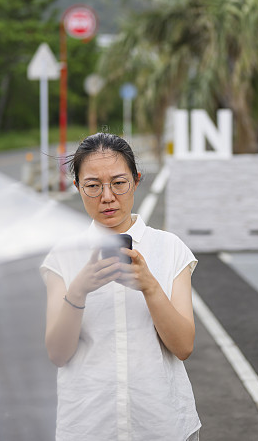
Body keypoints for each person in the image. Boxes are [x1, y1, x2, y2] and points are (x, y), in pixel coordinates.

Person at [40, 133, 201, 441]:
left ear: (136, 181)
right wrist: (78, 291)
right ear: (77, 187)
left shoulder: (170, 248)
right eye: (92, 185)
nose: (107, 196)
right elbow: (58, 354)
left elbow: (183, 347)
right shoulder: (63, 256)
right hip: (88, 425)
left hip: (162, 423)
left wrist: (150, 287)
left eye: (118, 182)